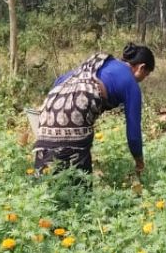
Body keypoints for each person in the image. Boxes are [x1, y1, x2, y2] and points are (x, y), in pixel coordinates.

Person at [33, 42, 155, 176]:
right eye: (146, 75)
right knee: (78, 184)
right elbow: (133, 133)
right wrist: (139, 161)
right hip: (73, 122)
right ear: (141, 68)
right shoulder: (130, 83)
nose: (144, 79)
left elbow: (60, 81)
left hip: (48, 113)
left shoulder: (100, 65)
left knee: (46, 180)